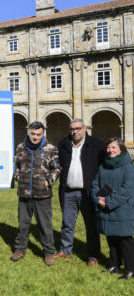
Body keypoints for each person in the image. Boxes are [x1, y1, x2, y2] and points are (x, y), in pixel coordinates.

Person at [10, 121, 60, 266]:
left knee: (45, 225)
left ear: (43, 134)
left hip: (42, 194)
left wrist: (49, 182)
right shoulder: (20, 148)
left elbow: (56, 168)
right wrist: (17, 176)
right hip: (24, 193)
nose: (35, 137)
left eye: (38, 134)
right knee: (23, 224)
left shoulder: (51, 149)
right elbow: (16, 166)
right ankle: (20, 249)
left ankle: (49, 252)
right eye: (33, 134)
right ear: (28, 132)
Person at [55, 118, 103, 266]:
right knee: (67, 223)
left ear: (84, 129)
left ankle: (93, 256)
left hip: (88, 193)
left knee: (91, 225)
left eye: (77, 128)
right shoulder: (63, 144)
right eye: (72, 129)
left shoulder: (96, 145)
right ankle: (65, 251)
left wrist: (102, 191)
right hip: (68, 191)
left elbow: (103, 170)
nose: (74, 132)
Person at [92, 137, 134, 280]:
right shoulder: (104, 165)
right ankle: (114, 266)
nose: (110, 150)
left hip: (122, 208)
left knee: (125, 240)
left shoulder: (127, 166)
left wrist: (109, 201)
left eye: (113, 147)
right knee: (111, 238)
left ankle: (130, 269)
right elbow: (95, 184)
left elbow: (128, 190)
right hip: (105, 207)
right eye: (108, 147)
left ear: (121, 149)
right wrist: (97, 198)